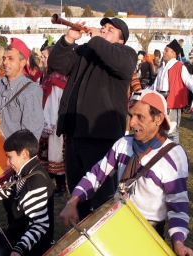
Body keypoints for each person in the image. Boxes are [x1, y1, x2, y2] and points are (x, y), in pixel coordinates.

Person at [60, 90, 193, 256]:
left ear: (158, 119)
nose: (132, 123)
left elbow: (178, 205)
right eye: (131, 115)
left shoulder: (173, 156)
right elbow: (96, 174)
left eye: (140, 117)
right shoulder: (123, 144)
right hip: (117, 223)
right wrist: (73, 200)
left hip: (148, 232)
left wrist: (178, 242)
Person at [47, 17, 137, 220]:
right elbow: (57, 64)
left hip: (101, 136)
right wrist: (69, 39)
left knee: (102, 196)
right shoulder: (85, 52)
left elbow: (122, 66)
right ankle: (82, 236)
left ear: (121, 40)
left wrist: (97, 39)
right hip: (74, 134)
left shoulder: (126, 53)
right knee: (79, 192)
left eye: (110, 30)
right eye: (102, 28)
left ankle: (105, 234)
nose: (103, 30)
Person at [0, 129, 55, 256]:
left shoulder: (36, 181)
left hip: (30, 251)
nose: (7, 162)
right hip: (16, 238)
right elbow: (6, 190)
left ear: (24, 154)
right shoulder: (23, 173)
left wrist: (19, 250)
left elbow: (40, 225)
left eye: (10, 157)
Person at [150, 39, 193, 144]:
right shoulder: (162, 67)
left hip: (172, 103)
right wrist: (145, 92)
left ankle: (175, 151)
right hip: (159, 101)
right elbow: (155, 84)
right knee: (160, 128)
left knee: (172, 131)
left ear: (173, 53)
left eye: (166, 50)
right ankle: (161, 150)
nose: (163, 52)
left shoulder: (179, 66)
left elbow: (188, 80)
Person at [39, 44, 68, 196]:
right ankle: (50, 184)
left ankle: (61, 186)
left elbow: (53, 103)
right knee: (48, 154)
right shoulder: (49, 76)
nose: (42, 59)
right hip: (48, 121)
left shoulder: (56, 78)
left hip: (54, 122)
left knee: (55, 154)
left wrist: (48, 125)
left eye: (45, 56)